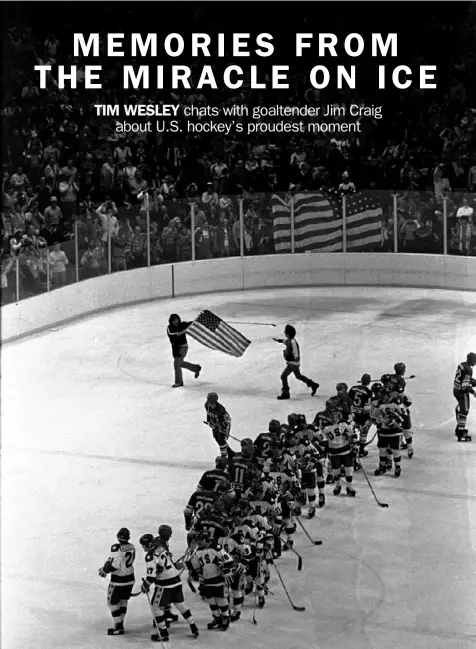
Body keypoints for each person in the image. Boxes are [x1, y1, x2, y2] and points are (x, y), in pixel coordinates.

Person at [140, 525, 199, 642]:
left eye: (143, 545)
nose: (142, 547)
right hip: (176, 580)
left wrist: (145, 585)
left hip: (164, 584)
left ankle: (163, 632)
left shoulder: (150, 554)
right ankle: (193, 626)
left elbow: (151, 576)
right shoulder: (160, 547)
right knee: (180, 604)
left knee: (155, 607)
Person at [98, 528, 136, 636]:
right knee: (123, 601)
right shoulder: (132, 547)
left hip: (118, 580)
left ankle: (118, 625)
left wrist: (104, 570)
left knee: (112, 603)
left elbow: (115, 565)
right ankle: (120, 623)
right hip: (130, 579)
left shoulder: (116, 547)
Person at [273, 325, 319, 400]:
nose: (284, 332)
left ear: (288, 334)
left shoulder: (292, 342)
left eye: (285, 332)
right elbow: (284, 341)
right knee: (298, 376)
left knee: (283, 376)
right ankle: (313, 384)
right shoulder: (289, 340)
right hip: (293, 363)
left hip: (292, 364)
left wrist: (289, 358)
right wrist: (278, 340)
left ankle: (286, 393)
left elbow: (296, 355)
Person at [166, 314, 201, 388]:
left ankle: (179, 382)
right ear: (171, 321)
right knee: (180, 363)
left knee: (176, 364)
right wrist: (182, 332)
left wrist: (199, 317)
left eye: (177, 320)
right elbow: (172, 335)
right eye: (174, 320)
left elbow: (192, 323)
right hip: (176, 349)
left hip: (183, 347)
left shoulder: (182, 325)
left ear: (179, 320)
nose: (175, 321)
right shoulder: (170, 328)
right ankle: (196, 368)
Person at [453, 352, 476, 442]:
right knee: (464, 411)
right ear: (471, 361)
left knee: (463, 410)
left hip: (455, 390)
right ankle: (461, 433)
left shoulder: (462, 365)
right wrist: (474, 392)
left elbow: (464, 378)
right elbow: (465, 386)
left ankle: (459, 429)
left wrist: (473, 380)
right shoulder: (468, 369)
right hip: (462, 393)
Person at [204, 392, 231, 457]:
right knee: (216, 438)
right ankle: (230, 452)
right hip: (214, 424)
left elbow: (227, 421)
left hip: (224, 425)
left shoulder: (221, 410)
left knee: (221, 440)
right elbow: (208, 414)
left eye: (210, 402)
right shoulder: (207, 405)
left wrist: (219, 427)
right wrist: (209, 422)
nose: (208, 404)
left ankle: (224, 456)